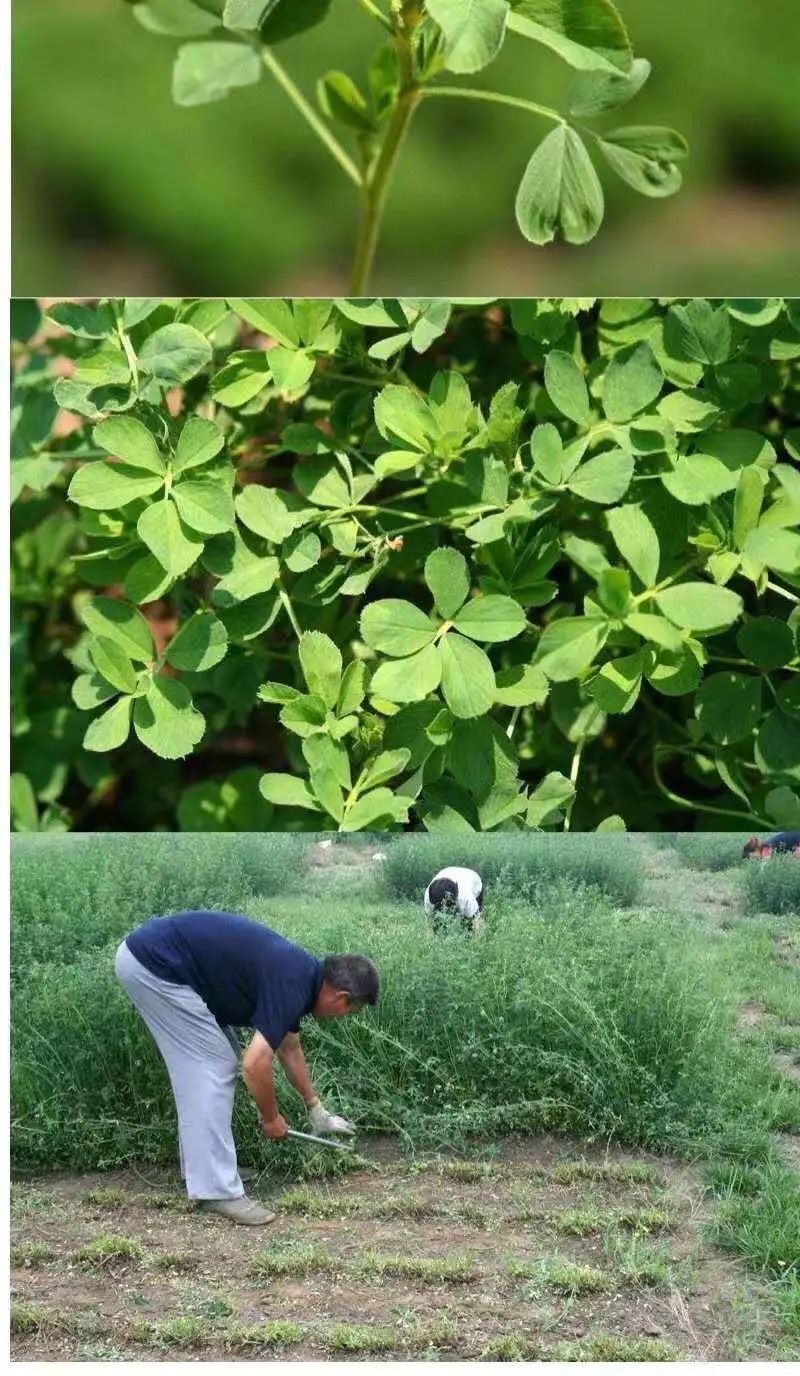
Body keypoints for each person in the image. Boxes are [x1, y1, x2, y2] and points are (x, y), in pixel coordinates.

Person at [115, 911, 379, 1226]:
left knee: (214, 1060)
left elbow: (289, 1048)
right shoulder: (293, 981)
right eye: (352, 1010)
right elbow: (254, 1065)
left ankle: (208, 1170)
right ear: (341, 997)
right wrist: (270, 1118)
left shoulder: (302, 977)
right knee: (213, 1064)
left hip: (157, 960)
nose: (345, 1016)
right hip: (155, 964)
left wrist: (317, 1111)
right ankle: (216, 1190)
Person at [423, 866, 484, 934]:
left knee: (468, 926)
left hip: (472, 879)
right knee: (438, 926)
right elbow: (429, 923)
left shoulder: (466, 899)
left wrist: (476, 942)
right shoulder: (429, 896)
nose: (444, 909)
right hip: (448, 872)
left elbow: (477, 921)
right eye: (440, 906)